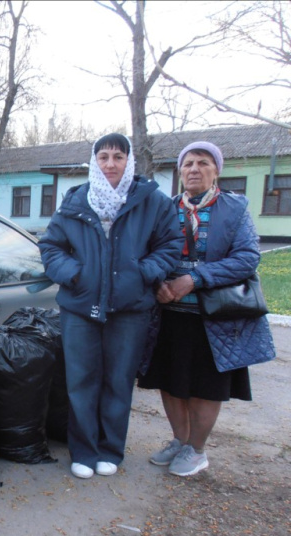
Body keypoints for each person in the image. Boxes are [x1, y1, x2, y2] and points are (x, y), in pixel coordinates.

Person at [39, 133, 183, 479]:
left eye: (118, 157)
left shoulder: (153, 202)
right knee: (81, 381)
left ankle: (110, 450)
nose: (110, 164)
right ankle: (84, 451)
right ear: (95, 162)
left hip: (130, 309)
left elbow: (170, 245)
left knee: (118, 381)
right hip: (79, 307)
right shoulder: (75, 202)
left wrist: (142, 273)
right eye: (103, 157)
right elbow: (50, 247)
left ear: (129, 162)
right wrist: (75, 274)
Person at [138, 141, 275, 476]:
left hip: (214, 319)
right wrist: (158, 283)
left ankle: (196, 449)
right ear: (180, 171)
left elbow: (246, 258)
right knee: (170, 383)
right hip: (169, 315)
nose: (194, 169)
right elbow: (147, 252)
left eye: (203, 163)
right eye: (188, 164)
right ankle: (179, 440)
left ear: (217, 171)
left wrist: (195, 279)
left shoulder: (234, 208)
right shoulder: (166, 208)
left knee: (204, 387)